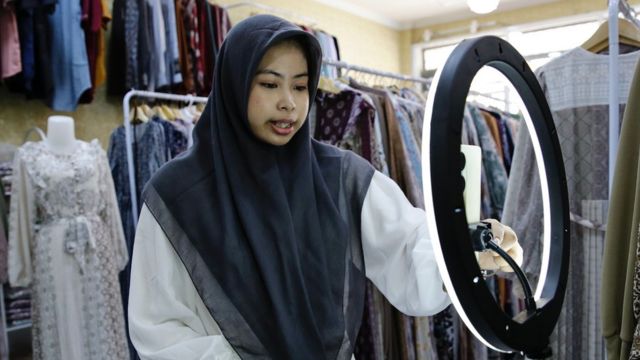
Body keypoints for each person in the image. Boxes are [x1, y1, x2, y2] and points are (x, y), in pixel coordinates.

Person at [128, 14, 522, 359]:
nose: (288, 103)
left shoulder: (338, 177)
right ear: (235, 84)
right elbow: (160, 328)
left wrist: (466, 249)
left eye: (300, 87)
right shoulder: (179, 195)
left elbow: (406, 244)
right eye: (269, 84)